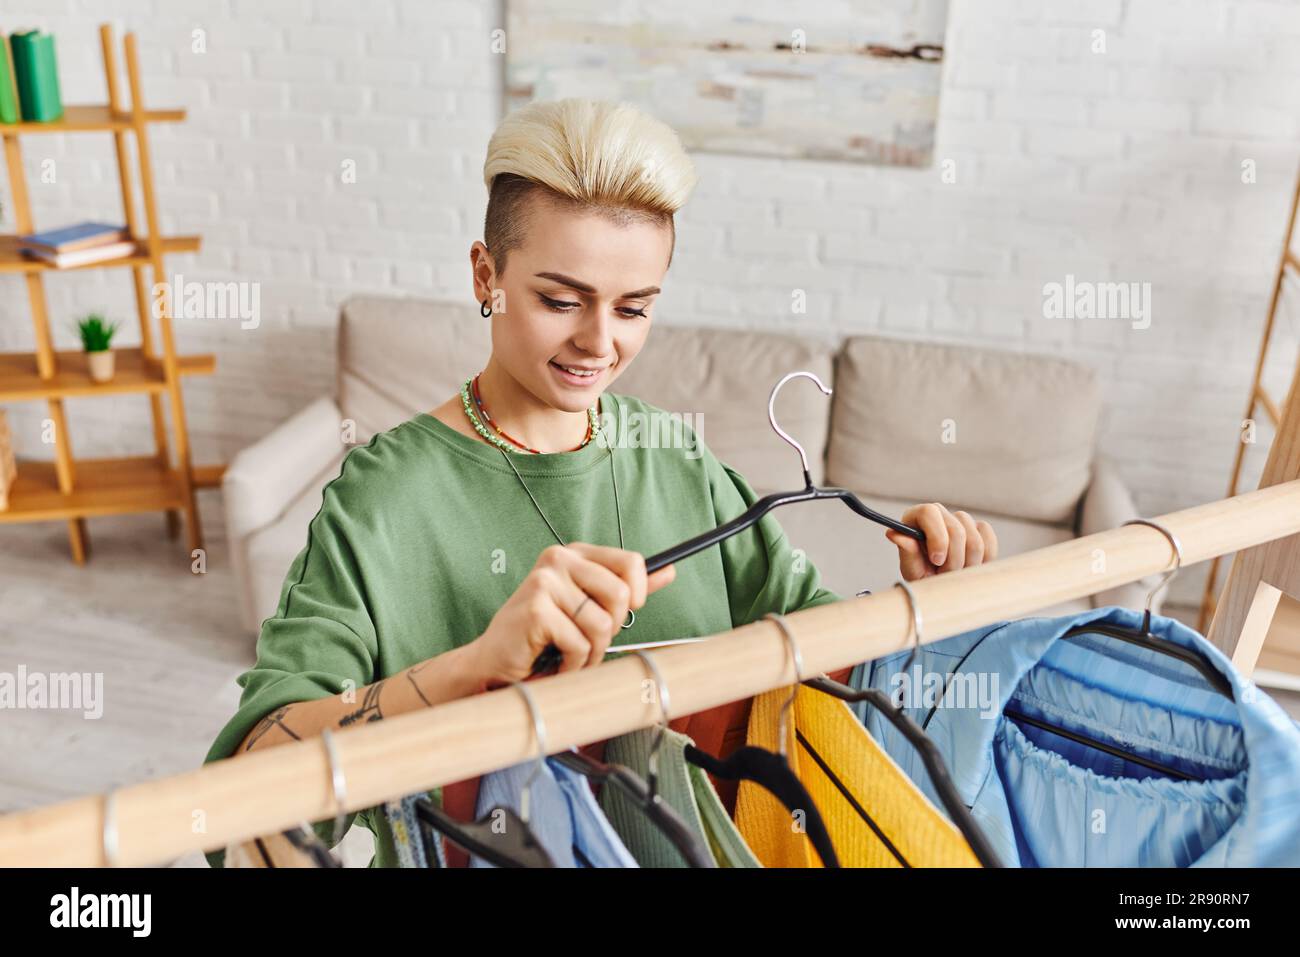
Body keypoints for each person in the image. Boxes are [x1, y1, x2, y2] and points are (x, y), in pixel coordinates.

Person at [203, 98, 998, 867]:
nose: (599, 342)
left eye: (634, 308)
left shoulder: (676, 455)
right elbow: (244, 786)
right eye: (560, 299)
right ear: (487, 276)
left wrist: (923, 607)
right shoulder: (383, 496)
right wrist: (472, 666)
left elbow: (819, 671)